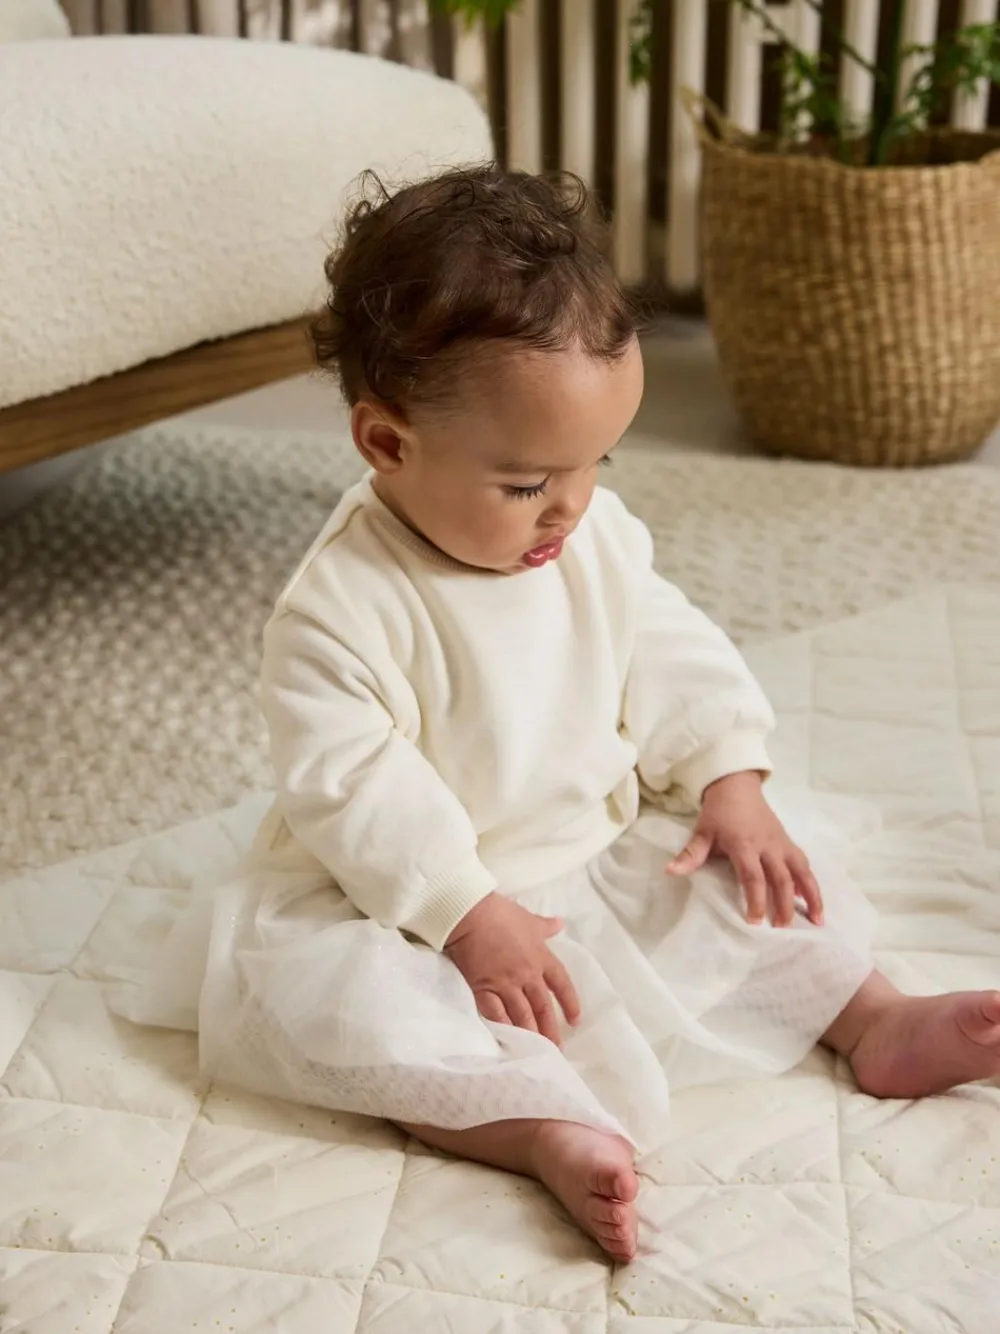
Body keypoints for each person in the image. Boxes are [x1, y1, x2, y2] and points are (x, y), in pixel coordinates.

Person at [116, 165, 1000, 1265]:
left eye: (597, 462)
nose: (572, 506)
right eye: (530, 483)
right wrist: (461, 911)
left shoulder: (590, 533)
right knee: (360, 1014)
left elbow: (663, 642)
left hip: (599, 844)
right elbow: (350, 786)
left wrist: (728, 775)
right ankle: (539, 1130)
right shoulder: (337, 609)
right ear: (386, 442)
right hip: (420, 901)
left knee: (755, 890)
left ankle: (875, 1018)